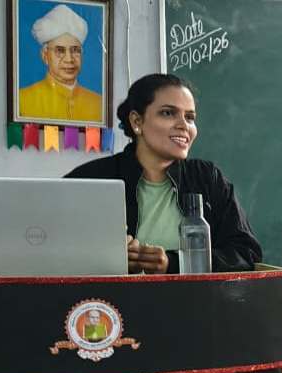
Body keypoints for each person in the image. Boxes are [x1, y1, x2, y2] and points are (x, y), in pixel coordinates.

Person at [66, 73, 261, 273]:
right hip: (108, 294)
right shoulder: (89, 178)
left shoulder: (207, 178)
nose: (183, 125)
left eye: (190, 117)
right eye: (168, 113)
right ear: (137, 121)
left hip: (192, 295)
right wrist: (109, 258)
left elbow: (246, 253)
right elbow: (57, 252)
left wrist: (174, 263)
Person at [18, 4, 102, 122]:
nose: (69, 59)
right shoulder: (22, 100)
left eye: (75, 50)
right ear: (45, 55)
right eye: (60, 50)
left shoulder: (98, 103)